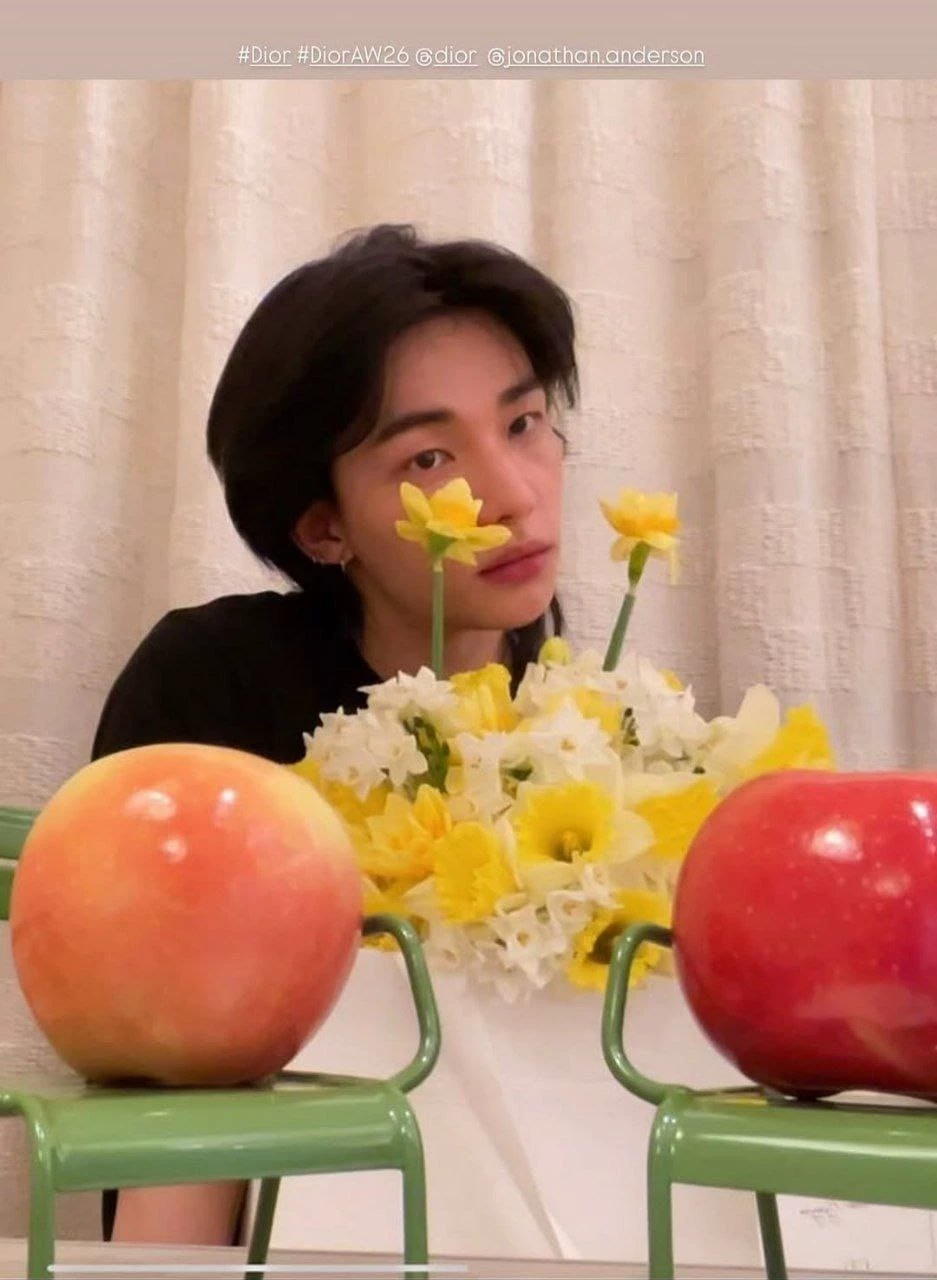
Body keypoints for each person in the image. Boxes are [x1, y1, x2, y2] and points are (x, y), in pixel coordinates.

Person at [89, 221, 579, 1246]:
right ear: (324, 526)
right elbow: (175, 1078)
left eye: (524, 422)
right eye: (430, 456)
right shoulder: (215, 687)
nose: (512, 493)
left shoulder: (592, 726)